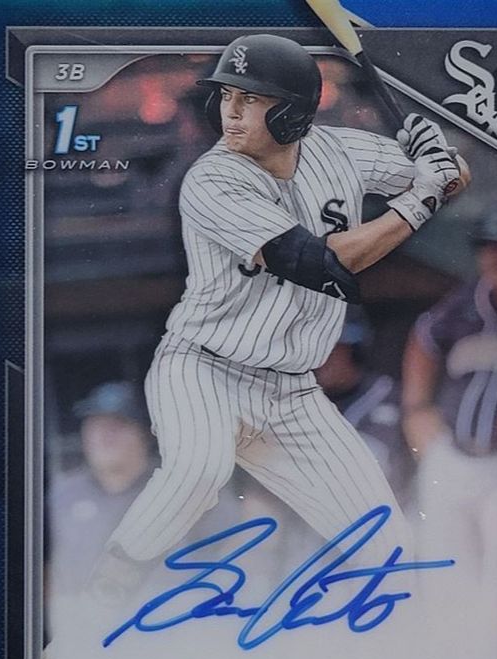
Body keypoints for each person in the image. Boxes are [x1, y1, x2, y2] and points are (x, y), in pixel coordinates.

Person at [88, 33, 466, 601]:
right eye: (226, 96)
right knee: (197, 472)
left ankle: (391, 645)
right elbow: (320, 264)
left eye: (250, 99)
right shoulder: (213, 179)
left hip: (292, 391)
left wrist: (442, 160)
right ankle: (99, 604)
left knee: (387, 545)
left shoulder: (340, 151)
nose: (230, 111)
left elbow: (453, 176)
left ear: (291, 113)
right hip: (204, 370)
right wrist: (420, 199)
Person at [401, 212, 497, 603]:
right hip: (453, 454)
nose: (494, 258)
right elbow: (423, 338)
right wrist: (415, 408)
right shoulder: (464, 304)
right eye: (487, 249)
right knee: (445, 567)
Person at [47, 381, 155, 603]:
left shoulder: (181, 493)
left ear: (145, 434)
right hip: (77, 617)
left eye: (118, 425)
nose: (105, 435)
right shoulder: (62, 495)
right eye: (95, 425)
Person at [315, 312, 414, 507]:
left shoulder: (387, 394)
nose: (318, 362)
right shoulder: (304, 398)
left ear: (353, 350)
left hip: (385, 511)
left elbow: (376, 460)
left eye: (330, 351)